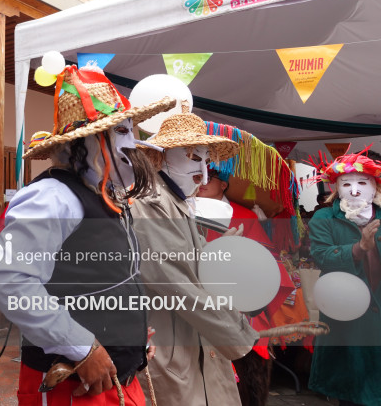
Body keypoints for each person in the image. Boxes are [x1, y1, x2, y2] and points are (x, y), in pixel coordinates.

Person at [0, 64, 175, 405]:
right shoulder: (53, 197)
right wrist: (82, 347)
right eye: (120, 131)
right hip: (73, 388)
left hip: (112, 381)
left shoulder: (105, 195)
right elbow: (9, 281)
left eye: (130, 129)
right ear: (83, 142)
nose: (132, 145)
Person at [130, 112, 259, 406]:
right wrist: (236, 330)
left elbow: (190, 260)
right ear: (161, 158)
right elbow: (174, 280)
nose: (202, 169)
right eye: (191, 157)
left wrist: (217, 252)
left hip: (194, 337)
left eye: (205, 160)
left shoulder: (178, 202)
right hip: (171, 341)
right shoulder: (150, 205)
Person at [197, 167, 296, 406]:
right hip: (196, 302)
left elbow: (266, 267)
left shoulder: (244, 216)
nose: (201, 181)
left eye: (209, 177)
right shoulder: (180, 211)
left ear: (224, 185)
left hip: (237, 303)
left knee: (245, 382)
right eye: (198, 175)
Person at [308, 152, 381, 406]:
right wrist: (359, 248)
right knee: (352, 391)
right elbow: (321, 255)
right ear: (336, 188)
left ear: (374, 186)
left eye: (362, 183)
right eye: (346, 184)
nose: (355, 190)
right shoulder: (323, 219)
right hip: (348, 321)